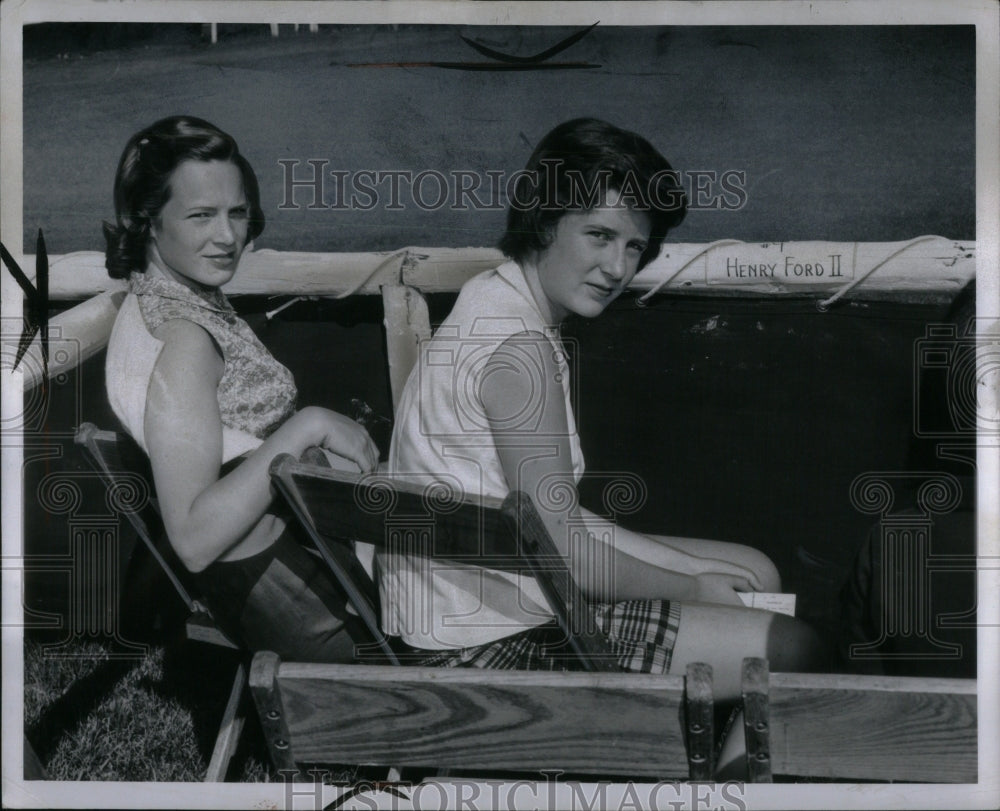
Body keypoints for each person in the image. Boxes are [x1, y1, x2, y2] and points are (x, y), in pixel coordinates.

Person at [384, 118, 831, 701]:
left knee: (753, 571)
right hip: (486, 650)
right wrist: (691, 589)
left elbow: (546, 523)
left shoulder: (489, 300)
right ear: (545, 222)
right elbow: (561, 548)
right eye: (599, 235)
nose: (619, 268)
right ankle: (723, 792)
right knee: (794, 650)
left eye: (634, 246)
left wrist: (693, 577)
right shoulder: (520, 353)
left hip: (472, 602)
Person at [103, 115, 379, 661]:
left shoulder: (166, 298)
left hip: (290, 570)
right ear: (147, 219)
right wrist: (309, 424)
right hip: (306, 609)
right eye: (201, 215)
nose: (228, 237)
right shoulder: (185, 343)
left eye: (236, 212)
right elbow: (194, 538)